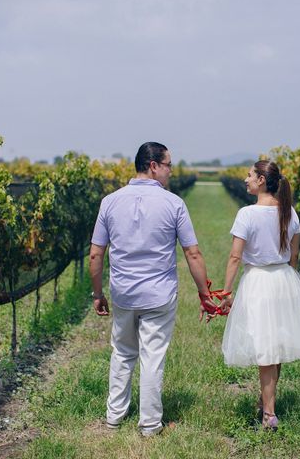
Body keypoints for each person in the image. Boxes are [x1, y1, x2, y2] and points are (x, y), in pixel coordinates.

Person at [89, 142, 214, 437]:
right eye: (168, 164)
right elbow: (192, 254)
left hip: (123, 294)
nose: (171, 170)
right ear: (153, 165)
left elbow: (96, 254)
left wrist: (97, 294)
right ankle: (149, 424)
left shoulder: (110, 202)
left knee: (122, 352)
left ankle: (113, 417)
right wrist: (205, 294)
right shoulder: (174, 204)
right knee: (152, 356)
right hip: (159, 295)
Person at [218, 160, 300, 430]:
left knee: (265, 348)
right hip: (283, 278)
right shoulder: (289, 212)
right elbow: (294, 255)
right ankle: (266, 401)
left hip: (258, 280)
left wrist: (227, 291)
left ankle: (269, 414)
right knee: (275, 343)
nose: (245, 179)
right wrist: (287, 280)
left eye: (249, 175)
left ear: (260, 181)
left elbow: (235, 256)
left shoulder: (247, 214)